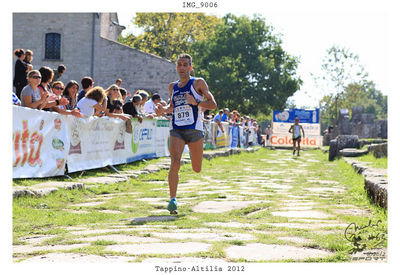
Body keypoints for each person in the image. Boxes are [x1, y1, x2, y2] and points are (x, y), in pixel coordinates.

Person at [155, 53, 217, 214]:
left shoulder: (198, 83)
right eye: (179, 64)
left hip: (195, 130)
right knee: (175, 160)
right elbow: (172, 107)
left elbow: (213, 104)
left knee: (197, 168)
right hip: (177, 129)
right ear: (176, 67)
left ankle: (194, 161)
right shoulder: (172, 86)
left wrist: (196, 102)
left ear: (190, 67)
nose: (182, 67)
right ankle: (172, 200)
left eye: (185, 65)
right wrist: (163, 110)